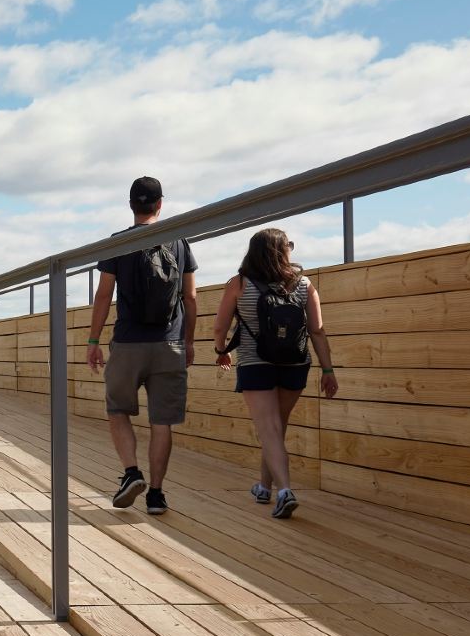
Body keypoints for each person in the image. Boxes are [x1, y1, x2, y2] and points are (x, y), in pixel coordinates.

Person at [84, 176, 196, 515]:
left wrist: (93, 340)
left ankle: (132, 472)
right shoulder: (179, 241)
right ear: (160, 204)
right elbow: (190, 297)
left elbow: (104, 296)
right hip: (169, 342)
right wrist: (188, 341)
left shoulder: (117, 244)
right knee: (161, 421)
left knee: (117, 410)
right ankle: (157, 495)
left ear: (131, 205)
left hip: (129, 342)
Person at [213, 227, 338, 519]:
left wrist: (222, 350)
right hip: (295, 363)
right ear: (283, 251)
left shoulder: (239, 283)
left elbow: (220, 327)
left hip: (256, 363)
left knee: (269, 429)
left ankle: (285, 491)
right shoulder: (304, 283)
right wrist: (328, 369)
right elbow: (317, 330)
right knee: (277, 427)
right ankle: (264, 487)